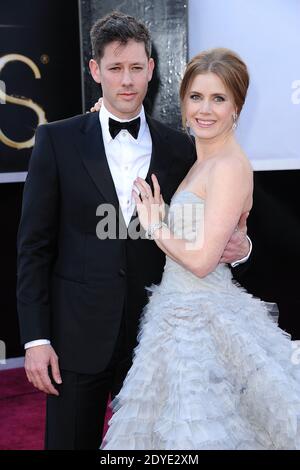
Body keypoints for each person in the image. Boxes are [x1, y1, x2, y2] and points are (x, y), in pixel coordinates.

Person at [16, 12, 250, 450]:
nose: (127, 81)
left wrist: (242, 247)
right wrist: (36, 338)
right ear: (95, 70)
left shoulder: (183, 147)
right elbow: (34, 249)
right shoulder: (58, 141)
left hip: (157, 340)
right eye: (116, 68)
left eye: (137, 68)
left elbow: (218, 220)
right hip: (76, 341)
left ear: (151, 69)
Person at [101, 48, 300, 450]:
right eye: (196, 97)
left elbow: (202, 260)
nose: (205, 109)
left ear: (237, 106)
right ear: (183, 101)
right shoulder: (200, 159)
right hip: (174, 313)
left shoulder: (227, 166)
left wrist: (156, 222)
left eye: (218, 98)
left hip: (202, 320)